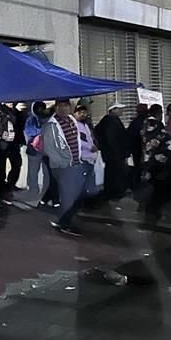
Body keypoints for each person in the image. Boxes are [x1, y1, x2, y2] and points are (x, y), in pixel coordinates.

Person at [44, 99, 98, 237]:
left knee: (81, 193)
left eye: (66, 106)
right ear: (56, 108)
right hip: (64, 166)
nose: (63, 109)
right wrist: (64, 163)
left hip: (76, 163)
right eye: (60, 106)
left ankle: (61, 220)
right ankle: (65, 224)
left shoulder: (71, 121)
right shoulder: (52, 125)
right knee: (70, 196)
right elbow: (49, 148)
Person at [140, 105, 171, 224]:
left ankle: (154, 212)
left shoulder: (146, 124)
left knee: (158, 189)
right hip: (161, 164)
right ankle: (153, 213)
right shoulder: (155, 126)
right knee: (161, 190)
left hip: (155, 163)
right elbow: (163, 142)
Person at [94, 104, 130, 201]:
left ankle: (112, 192)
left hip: (112, 154)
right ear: (113, 109)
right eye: (120, 109)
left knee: (112, 173)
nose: (122, 111)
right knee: (114, 174)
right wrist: (118, 152)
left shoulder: (109, 120)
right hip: (114, 154)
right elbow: (112, 139)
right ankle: (114, 193)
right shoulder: (110, 121)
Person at [128, 103, 149, 189]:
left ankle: (137, 183)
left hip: (136, 148)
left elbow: (130, 135)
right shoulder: (148, 122)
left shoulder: (134, 122)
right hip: (145, 148)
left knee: (138, 166)